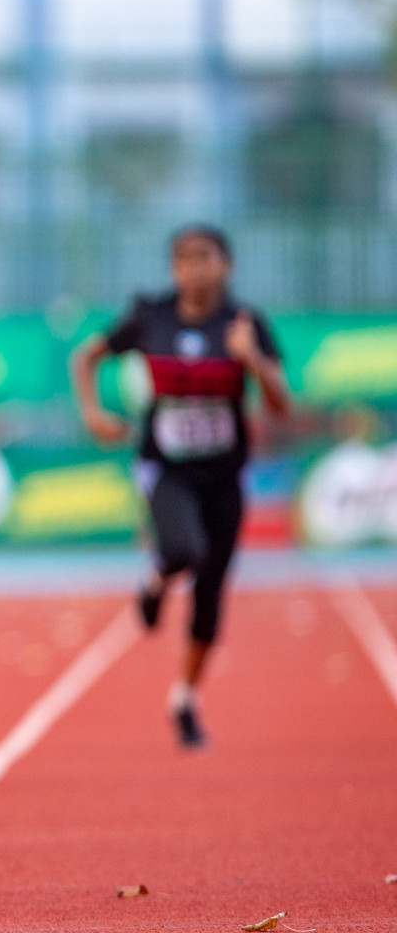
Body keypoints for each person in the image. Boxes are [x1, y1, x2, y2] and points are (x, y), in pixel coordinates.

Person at [71, 225, 289, 749]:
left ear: (226, 265)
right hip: (166, 468)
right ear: (173, 269)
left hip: (224, 474)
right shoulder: (151, 316)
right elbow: (86, 356)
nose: (195, 269)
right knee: (182, 549)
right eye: (184, 259)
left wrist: (253, 361)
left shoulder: (246, 324)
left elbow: (282, 405)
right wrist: (93, 413)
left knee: (210, 591)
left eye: (205, 258)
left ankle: (185, 699)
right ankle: (156, 577)